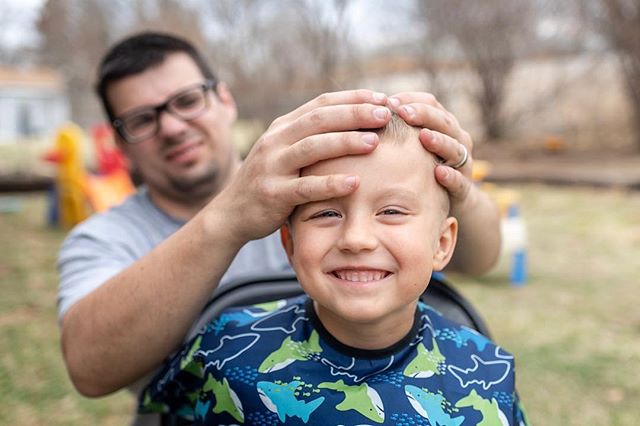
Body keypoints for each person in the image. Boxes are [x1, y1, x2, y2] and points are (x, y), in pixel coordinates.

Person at [57, 31, 501, 402]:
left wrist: (456, 181)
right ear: (119, 143)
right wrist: (228, 219)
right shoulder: (104, 238)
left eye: (187, 100)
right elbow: (90, 371)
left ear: (225, 99)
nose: (172, 127)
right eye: (141, 119)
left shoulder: (323, 175)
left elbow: (480, 259)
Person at [139, 114, 527, 425]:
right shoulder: (225, 349)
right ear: (289, 244)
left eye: (391, 211)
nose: (356, 238)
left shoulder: (489, 372)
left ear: (442, 244)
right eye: (327, 212)